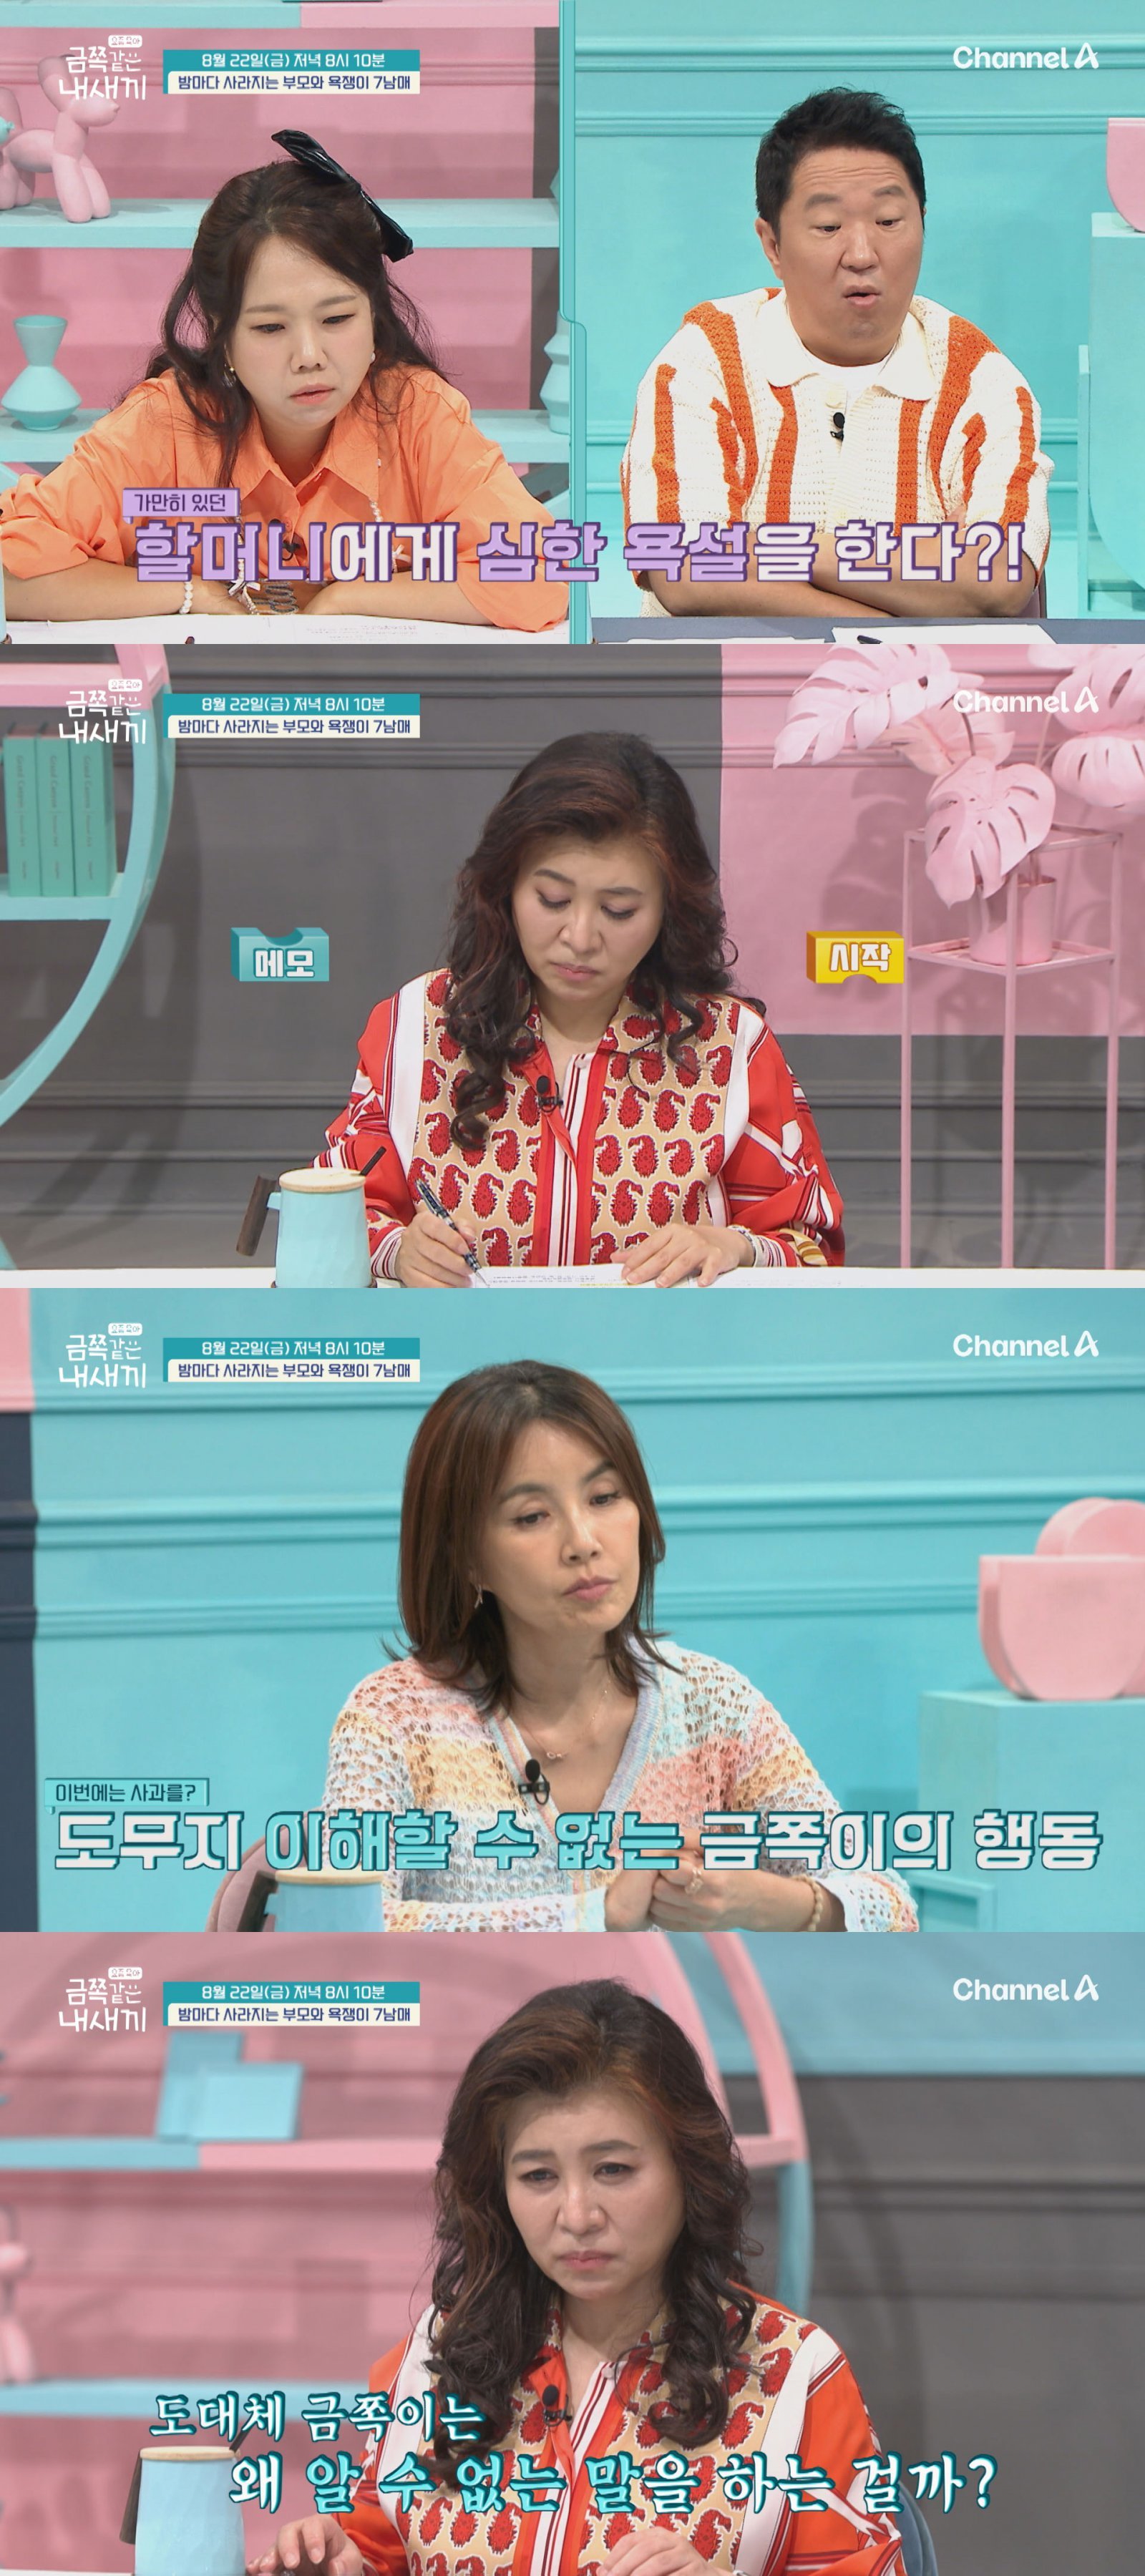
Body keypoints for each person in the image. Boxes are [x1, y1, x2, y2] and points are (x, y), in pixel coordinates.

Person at [253, 1979, 910, 2576]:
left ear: (688, 2168)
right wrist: (339, 2563)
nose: (577, 2216)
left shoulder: (793, 2373)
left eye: (613, 2170)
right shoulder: (442, 2351)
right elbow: (377, 2546)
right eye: (538, 2176)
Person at [322, 1361, 917, 1931]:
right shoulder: (394, 1719)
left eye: (604, 1497)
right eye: (531, 1517)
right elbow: (338, 1931)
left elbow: (891, 1909)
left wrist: (764, 1902)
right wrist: (597, 1917)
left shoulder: (714, 1708)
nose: (583, 1542)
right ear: (467, 1558)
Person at [318, 731, 843, 1281]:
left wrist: (734, 1246)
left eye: (619, 910)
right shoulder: (417, 1025)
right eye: (553, 900)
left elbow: (812, 1249)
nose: (581, 937)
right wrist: (397, 1249)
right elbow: (334, 1217)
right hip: (461, 1340)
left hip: (662, 1339)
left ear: (669, 910)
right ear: (506, 887)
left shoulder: (729, 1045)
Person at [0, 136, 566, 629]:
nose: (309, 357)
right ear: (222, 336)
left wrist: (348, 598)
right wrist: (190, 593)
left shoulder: (418, 412)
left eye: (337, 319)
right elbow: (13, 573)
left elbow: (542, 573)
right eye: (270, 328)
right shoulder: (163, 422)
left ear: (374, 316)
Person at [623, 86, 1051, 623]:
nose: (863, 254)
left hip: (919, 680)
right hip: (723, 676)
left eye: (889, 221)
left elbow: (1002, 575)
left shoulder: (980, 380)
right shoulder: (705, 359)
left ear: (922, 222)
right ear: (773, 245)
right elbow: (682, 568)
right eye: (828, 227)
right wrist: (885, 632)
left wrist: (778, 551)